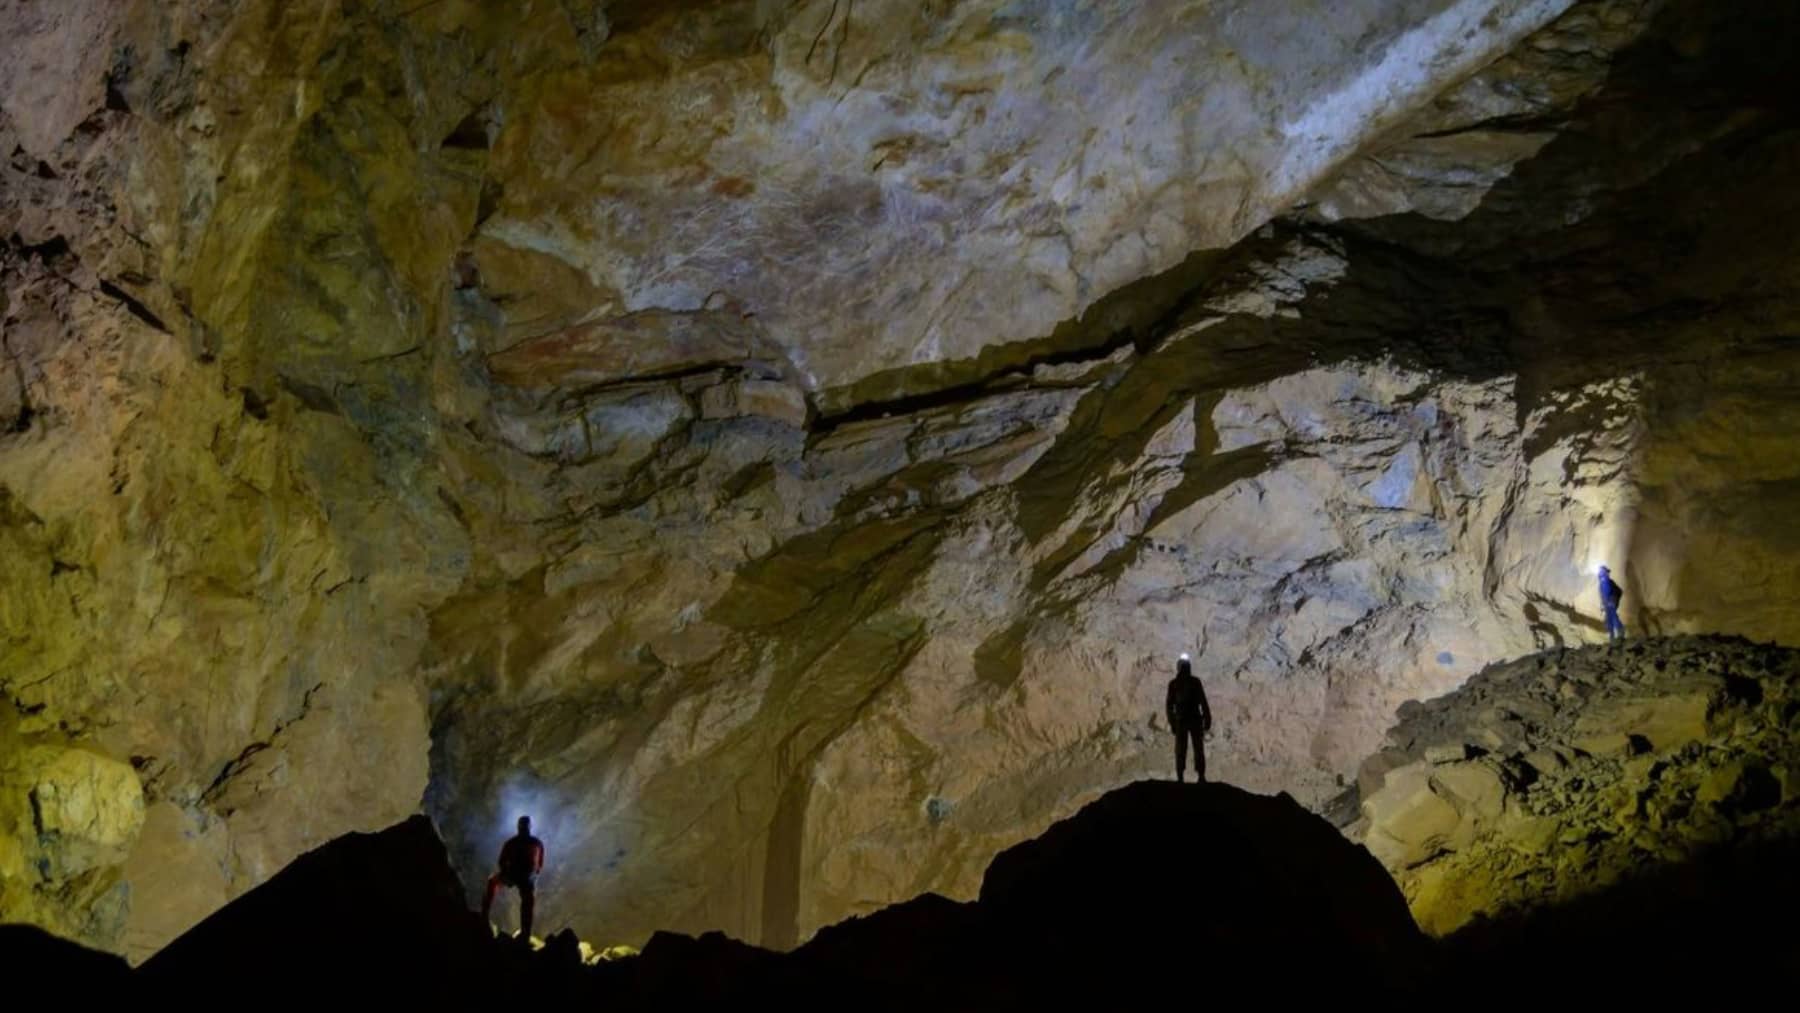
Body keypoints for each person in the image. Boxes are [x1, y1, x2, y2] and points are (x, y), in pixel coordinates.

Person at [482, 815, 545, 938]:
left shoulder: (513, 842)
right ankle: (525, 933)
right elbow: (540, 864)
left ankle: (485, 915)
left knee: (493, 882)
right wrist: (533, 875)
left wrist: (507, 872)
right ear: (530, 827)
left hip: (519, 875)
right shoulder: (536, 843)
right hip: (521, 876)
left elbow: (501, 861)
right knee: (528, 900)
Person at [1165, 652, 1213, 783]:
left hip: (1188, 720)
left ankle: (1194, 776)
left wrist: (1172, 721)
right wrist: (1172, 722)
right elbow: (1169, 705)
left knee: (1193, 748)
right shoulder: (1177, 684)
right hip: (1187, 720)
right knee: (1185, 749)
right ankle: (1185, 776)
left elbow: (1203, 701)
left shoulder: (1180, 683)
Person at [1597, 565, 1625, 643]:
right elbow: (1603, 595)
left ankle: (1619, 633)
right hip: (1608, 603)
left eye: (1602, 571)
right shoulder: (1604, 582)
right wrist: (1603, 605)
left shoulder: (1606, 581)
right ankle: (1613, 637)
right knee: (1610, 619)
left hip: (1610, 602)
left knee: (1612, 617)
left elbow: (1615, 592)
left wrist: (1613, 600)